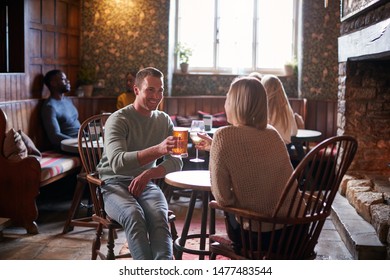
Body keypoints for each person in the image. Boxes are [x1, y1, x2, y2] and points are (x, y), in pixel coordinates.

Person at [196, 76, 296, 250]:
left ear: (235, 103)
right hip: (296, 231)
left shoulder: (223, 135)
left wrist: (217, 151)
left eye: (228, 98)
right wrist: (216, 149)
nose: (225, 103)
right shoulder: (272, 133)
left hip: (260, 236)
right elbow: (253, 160)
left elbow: (223, 198)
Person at [96, 67, 183, 260]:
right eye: (150, 90)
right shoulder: (118, 119)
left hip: (146, 182)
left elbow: (176, 161)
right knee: (134, 216)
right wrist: (157, 150)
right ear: (136, 90)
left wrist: (149, 174)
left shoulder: (164, 120)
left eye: (160, 90)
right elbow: (118, 163)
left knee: (159, 216)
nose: (156, 95)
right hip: (113, 184)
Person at [41, 69, 81, 149]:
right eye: (63, 79)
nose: (68, 81)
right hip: (68, 145)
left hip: (80, 140)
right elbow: (55, 137)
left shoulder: (67, 101)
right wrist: (79, 143)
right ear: (53, 83)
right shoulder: (50, 107)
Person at [260, 74, 297, 144]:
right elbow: (294, 132)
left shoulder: (262, 108)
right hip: (284, 149)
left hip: (266, 148)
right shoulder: (286, 108)